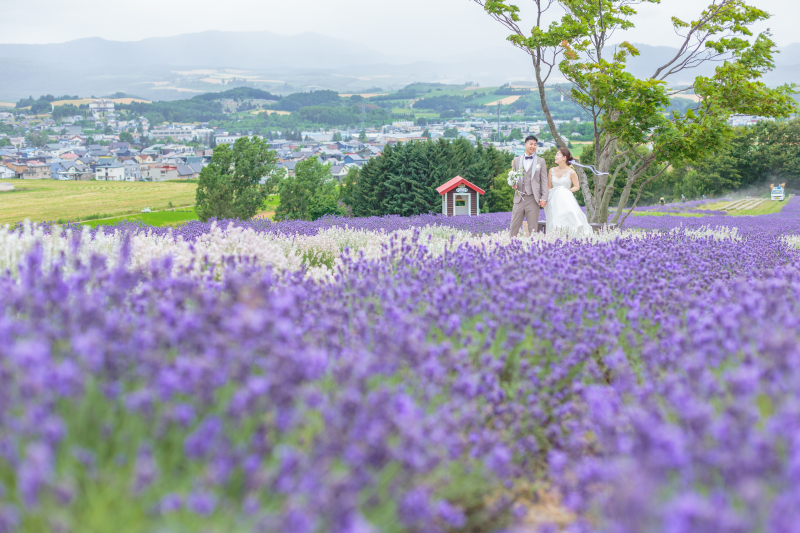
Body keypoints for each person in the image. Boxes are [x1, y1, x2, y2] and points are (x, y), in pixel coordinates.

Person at [544, 147, 593, 236]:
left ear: (564, 157)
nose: (555, 156)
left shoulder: (572, 172)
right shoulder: (551, 170)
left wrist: (565, 191)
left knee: (569, 218)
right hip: (553, 201)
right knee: (554, 221)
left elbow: (576, 187)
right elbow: (549, 188)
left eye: (558, 154)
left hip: (566, 200)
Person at [509, 135, 548, 237]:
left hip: (533, 198)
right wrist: (513, 184)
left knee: (533, 229)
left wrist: (544, 197)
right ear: (525, 144)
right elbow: (513, 177)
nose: (533, 146)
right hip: (519, 198)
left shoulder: (541, 161)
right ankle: (511, 248)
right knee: (514, 227)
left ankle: (533, 250)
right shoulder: (516, 160)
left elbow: (544, 181)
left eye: (535, 145)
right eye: (531, 144)